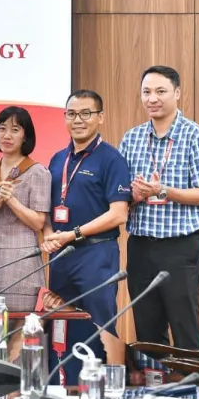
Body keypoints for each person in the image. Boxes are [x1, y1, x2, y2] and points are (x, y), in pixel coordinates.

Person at [119, 66, 199, 350]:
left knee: (184, 327)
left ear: (176, 93)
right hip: (140, 246)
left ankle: (192, 392)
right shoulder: (131, 138)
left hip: (180, 247)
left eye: (160, 91)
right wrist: (135, 195)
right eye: (146, 92)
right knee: (148, 331)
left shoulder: (195, 136)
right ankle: (155, 392)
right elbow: (120, 195)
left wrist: (163, 190)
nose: (153, 98)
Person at [41, 89, 131, 382]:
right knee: (59, 324)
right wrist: (50, 234)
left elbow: (118, 214)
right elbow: (49, 210)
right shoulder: (57, 159)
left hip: (96, 255)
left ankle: (106, 397)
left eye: (85, 113)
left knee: (100, 326)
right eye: (71, 114)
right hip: (61, 257)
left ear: (100, 117)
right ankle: (61, 390)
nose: (77, 120)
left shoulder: (111, 159)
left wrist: (73, 234)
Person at [0, 107, 51, 313]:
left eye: (15, 130)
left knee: (17, 324)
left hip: (20, 257)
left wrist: (12, 201)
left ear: (25, 136)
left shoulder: (38, 172)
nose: (7, 135)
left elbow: (38, 222)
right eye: (2, 128)